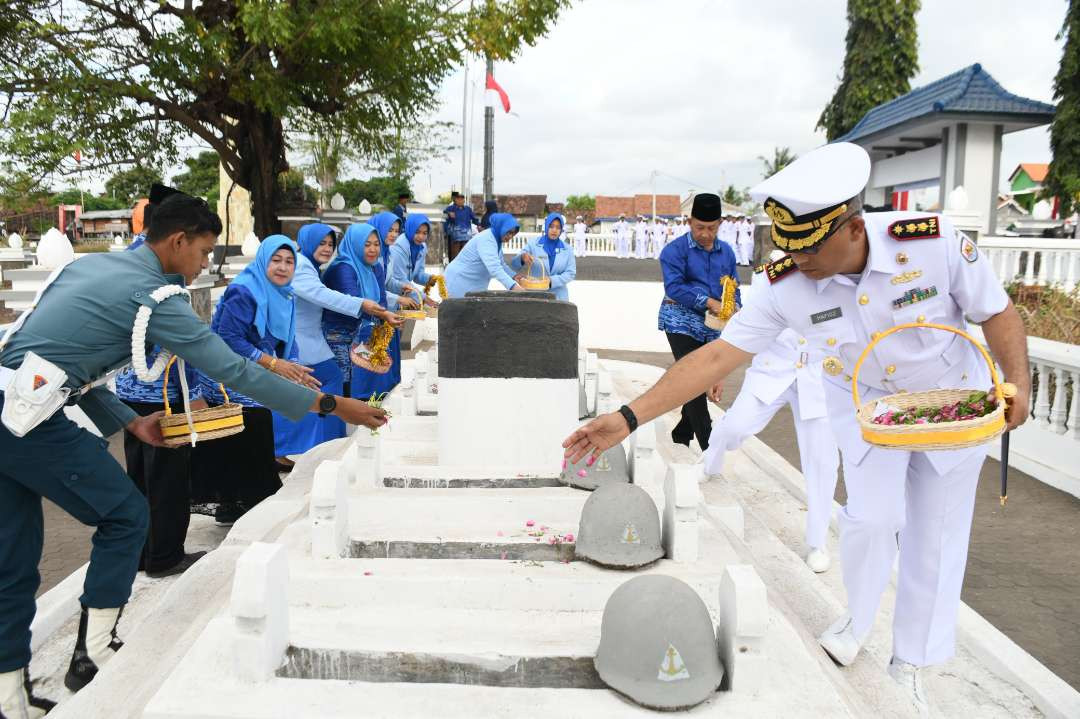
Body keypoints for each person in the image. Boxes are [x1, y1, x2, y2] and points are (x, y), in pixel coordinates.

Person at [563, 142, 1031, 716]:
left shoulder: (932, 245)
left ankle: (909, 661)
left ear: (855, 229)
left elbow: (996, 311)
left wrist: (1019, 381)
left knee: (935, 537)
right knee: (871, 520)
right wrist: (629, 417)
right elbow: (713, 360)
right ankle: (858, 619)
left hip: (949, 402)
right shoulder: (786, 283)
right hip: (867, 409)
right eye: (789, 246)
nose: (798, 259)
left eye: (810, 247)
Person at [0, 195, 386, 713]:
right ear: (177, 241)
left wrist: (133, 421)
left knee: (14, 560)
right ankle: (92, 656)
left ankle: (8, 696)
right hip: (27, 420)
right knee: (125, 514)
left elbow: (57, 361)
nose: (206, 263)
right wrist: (334, 406)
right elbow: (235, 370)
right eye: (203, 251)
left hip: (13, 403)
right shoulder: (155, 298)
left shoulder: (89, 269)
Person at [702, 255, 838, 573]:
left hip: (818, 378)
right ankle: (710, 461)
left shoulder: (840, 270)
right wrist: (718, 370)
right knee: (734, 428)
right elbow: (747, 325)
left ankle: (817, 542)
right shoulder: (771, 275)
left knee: (822, 461)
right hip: (773, 368)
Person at [113, 183, 207, 579]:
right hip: (164, 392)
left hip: (127, 392)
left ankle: (139, 553)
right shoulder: (167, 267)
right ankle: (165, 556)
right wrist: (199, 392)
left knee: (137, 477)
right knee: (168, 481)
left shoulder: (130, 258)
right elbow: (183, 340)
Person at [193, 236, 320, 525]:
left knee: (243, 440)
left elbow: (287, 337)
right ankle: (256, 509)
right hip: (227, 375)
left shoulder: (284, 294)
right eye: (276, 260)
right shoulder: (245, 291)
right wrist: (275, 364)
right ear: (263, 260)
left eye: (289, 261)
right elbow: (228, 338)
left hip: (251, 373)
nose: (283, 267)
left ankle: (235, 506)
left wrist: (296, 370)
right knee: (253, 436)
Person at [271, 223, 367, 471]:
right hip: (298, 343)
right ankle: (287, 451)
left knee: (326, 386)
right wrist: (363, 305)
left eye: (330, 244)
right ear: (307, 241)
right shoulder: (301, 265)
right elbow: (321, 295)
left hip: (312, 342)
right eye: (321, 243)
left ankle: (327, 446)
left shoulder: (310, 265)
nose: (326, 248)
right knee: (298, 394)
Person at [655, 193, 739, 451]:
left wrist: (735, 309)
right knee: (694, 378)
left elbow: (733, 288)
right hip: (679, 318)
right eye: (700, 227)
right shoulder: (673, 251)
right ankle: (709, 447)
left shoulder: (726, 252)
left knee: (700, 378)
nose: (705, 234)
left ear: (720, 224)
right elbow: (675, 287)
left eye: (711, 228)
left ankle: (682, 432)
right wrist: (709, 301)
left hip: (712, 325)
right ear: (689, 222)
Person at [323, 223, 402, 400]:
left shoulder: (375, 267)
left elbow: (380, 300)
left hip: (361, 329)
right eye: (366, 245)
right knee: (344, 387)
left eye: (376, 244)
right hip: (338, 335)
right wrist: (383, 315)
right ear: (355, 244)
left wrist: (384, 318)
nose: (373, 249)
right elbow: (355, 303)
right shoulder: (343, 268)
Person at [443, 212, 524, 297]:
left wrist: (514, 276)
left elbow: (501, 264)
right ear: (500, 227)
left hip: (472, 284)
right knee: (457, 309)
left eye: (513, 233)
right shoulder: (487, 239)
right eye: (508, 232)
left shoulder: (496, 240)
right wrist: (513, 287)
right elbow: (495, 269)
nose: (510, 236)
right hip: (459, 281)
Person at [511, 212, 577, 301]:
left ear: (561, 230)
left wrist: (551, 281)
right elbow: (514, 264)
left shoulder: (568, 249)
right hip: (536, 296)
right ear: (546, 226)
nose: (554, 230)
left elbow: (570, 273)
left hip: (559, 297)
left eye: (558, 227)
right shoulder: (533, 244)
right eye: (551, 226)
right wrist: (522, 258)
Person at [388, 214, 438, 309]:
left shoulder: (421, 247)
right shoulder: (398, 247)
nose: (421, 237)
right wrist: (423, 298)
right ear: (410, 229)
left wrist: (429, 279)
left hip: (405, 294)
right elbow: (400, 278)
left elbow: (417, 275)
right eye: (417, 232)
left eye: (425, 233)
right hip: (391, 295)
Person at [443, 192, 476, 262]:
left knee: (465, 253)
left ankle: (464, 268)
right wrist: (449, 213)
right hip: (455, 235)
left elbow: (474, 218)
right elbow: (444, 211)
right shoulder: (451, 208)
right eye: (459, 199)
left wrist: (479, 225)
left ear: (464, 200)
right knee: (455, 254)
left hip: (466, 234)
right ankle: (453, 268)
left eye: (462, 199)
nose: (460, 201)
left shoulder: (468, 209)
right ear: (455, 200)